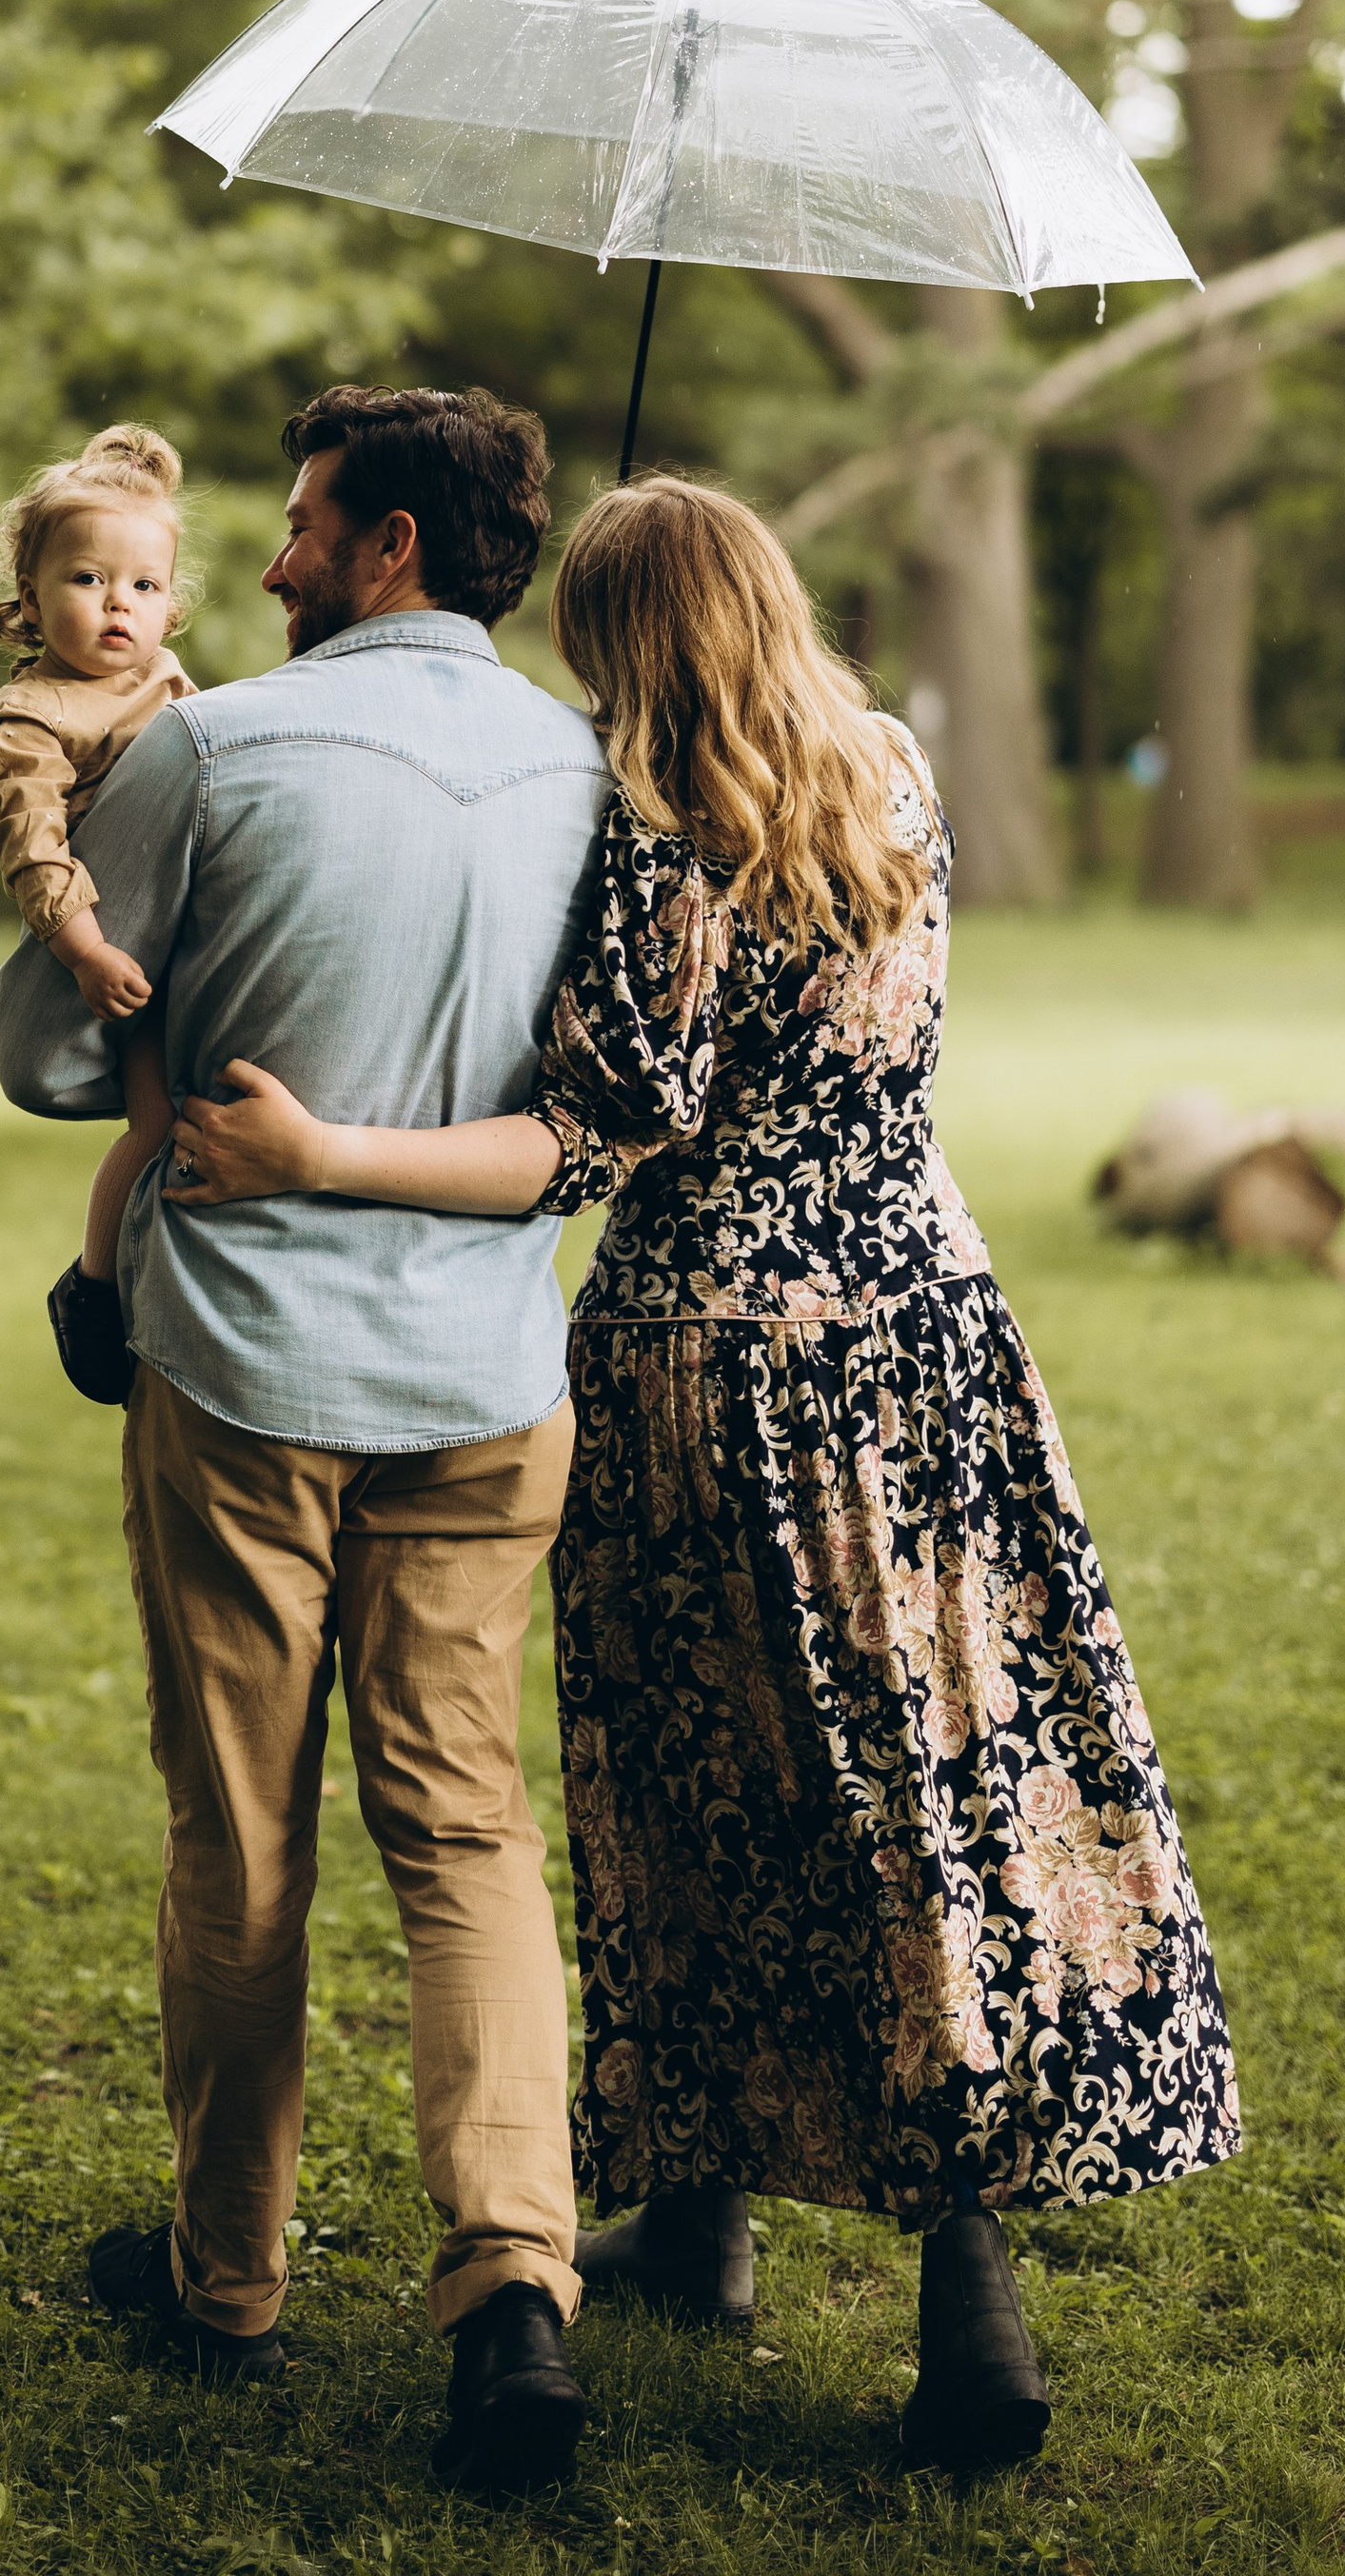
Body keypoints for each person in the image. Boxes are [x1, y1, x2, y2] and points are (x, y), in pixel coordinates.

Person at [169, 473, 1242, 2478]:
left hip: (703, 1363)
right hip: (924, 1332)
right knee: (911, 1782)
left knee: (695, 1783)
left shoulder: (648, 839)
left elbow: (591, 1133)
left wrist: (326, 1150)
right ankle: (826, 2251)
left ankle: (831, 2255)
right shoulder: (895, 771)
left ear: (620, 644)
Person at [0, 387, 610, 2495]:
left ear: (396, 546)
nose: (258, 565)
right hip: (485, 1383)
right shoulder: (591, 770)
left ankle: (224, 2273)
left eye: (301, 526)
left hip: (244, 1372)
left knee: (237, 1830)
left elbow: (51, 1043)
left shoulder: (209, 746)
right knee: (465, 1829)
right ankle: (512, 2273)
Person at [0, 426, 199, 1372]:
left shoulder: (175, 687)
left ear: (170, 607)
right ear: (28, 599)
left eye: (143, 587)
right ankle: (95, 1287)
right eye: (88, 580)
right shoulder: (29, 720)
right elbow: (36, 850)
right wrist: (86, 951)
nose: (118, 605)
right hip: (129, 951)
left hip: (206, 933)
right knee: (156, 1130)